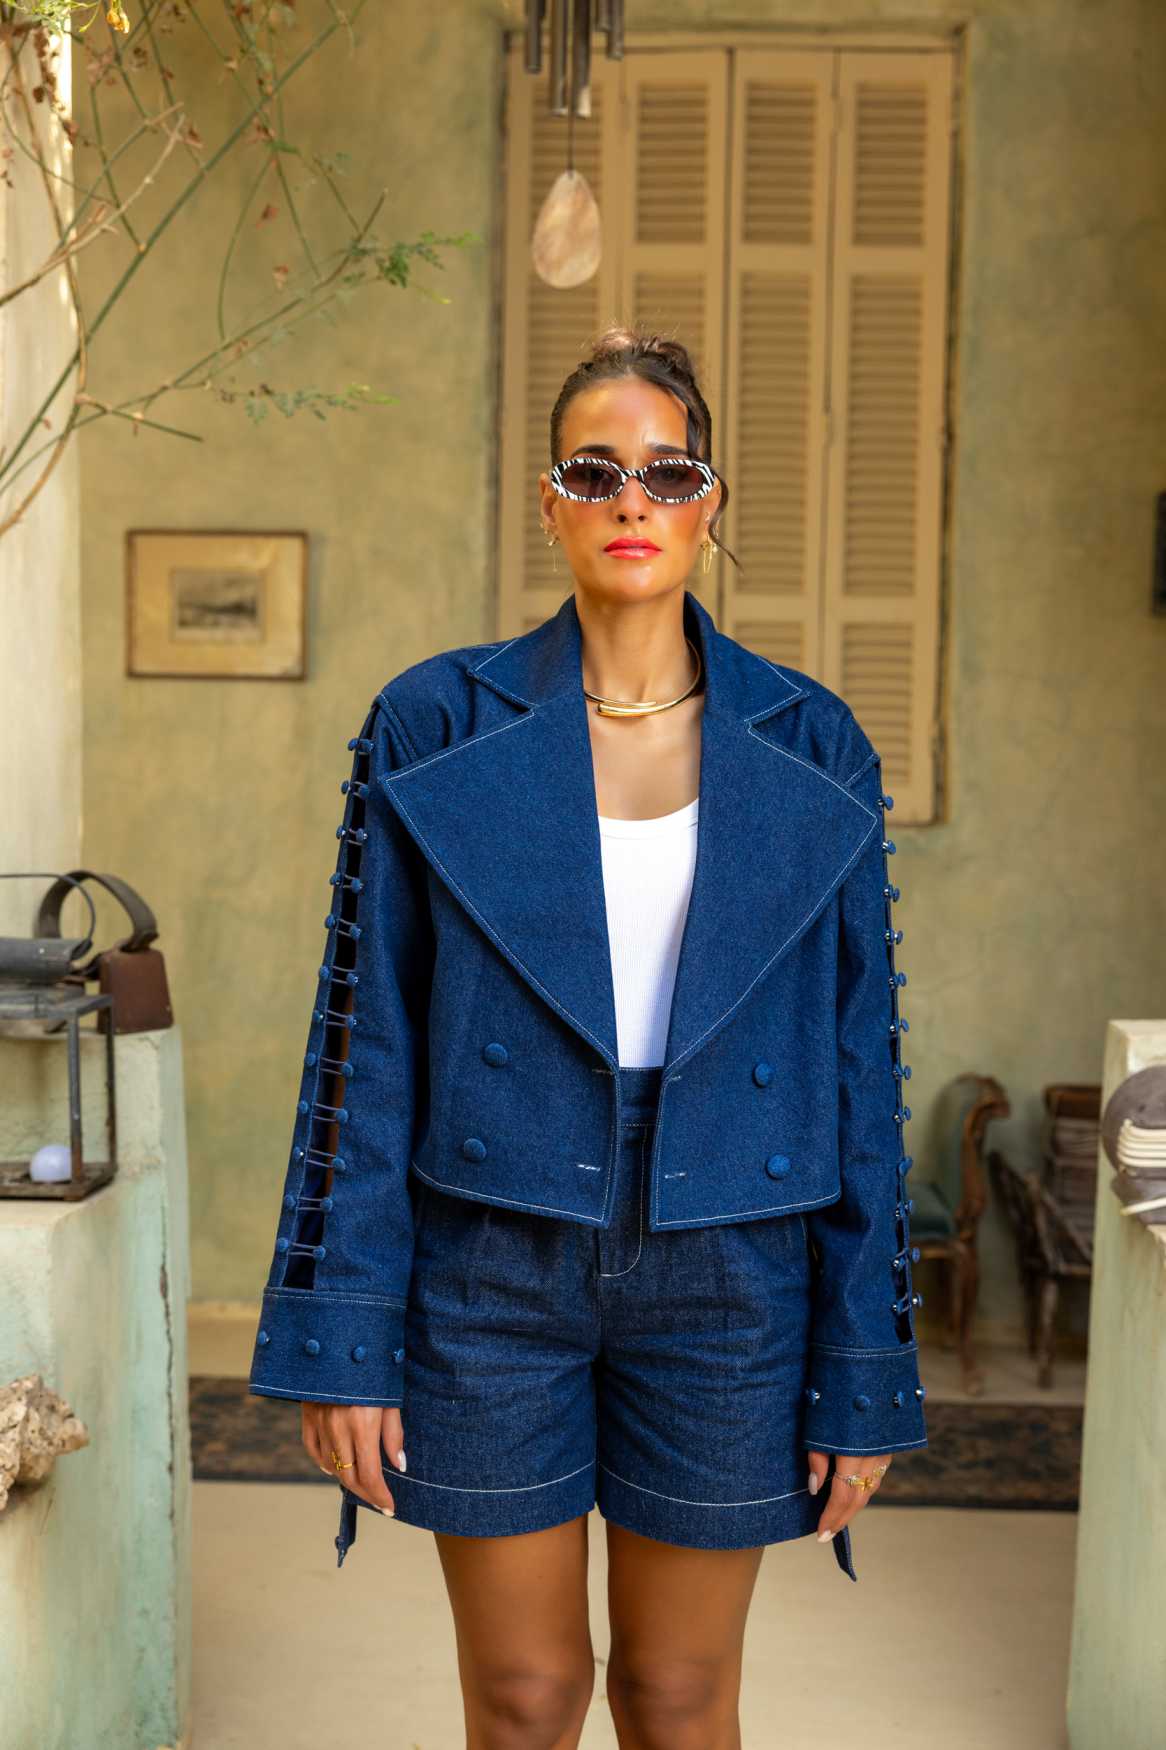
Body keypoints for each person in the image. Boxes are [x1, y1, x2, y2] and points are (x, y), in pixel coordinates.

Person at [249, 325, 928, 1748]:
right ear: (549, 502)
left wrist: (863, 1361)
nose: (632, 499)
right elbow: (367, 1046)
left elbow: (859, 1069)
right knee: (525, 1694)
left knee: (678, 1698)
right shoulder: (433, 721)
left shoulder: (812, 742)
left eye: (667, 471)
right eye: (595, 470)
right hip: (488, 1254)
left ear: (709, 503)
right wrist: (343, 1337)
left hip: (735, 1259)